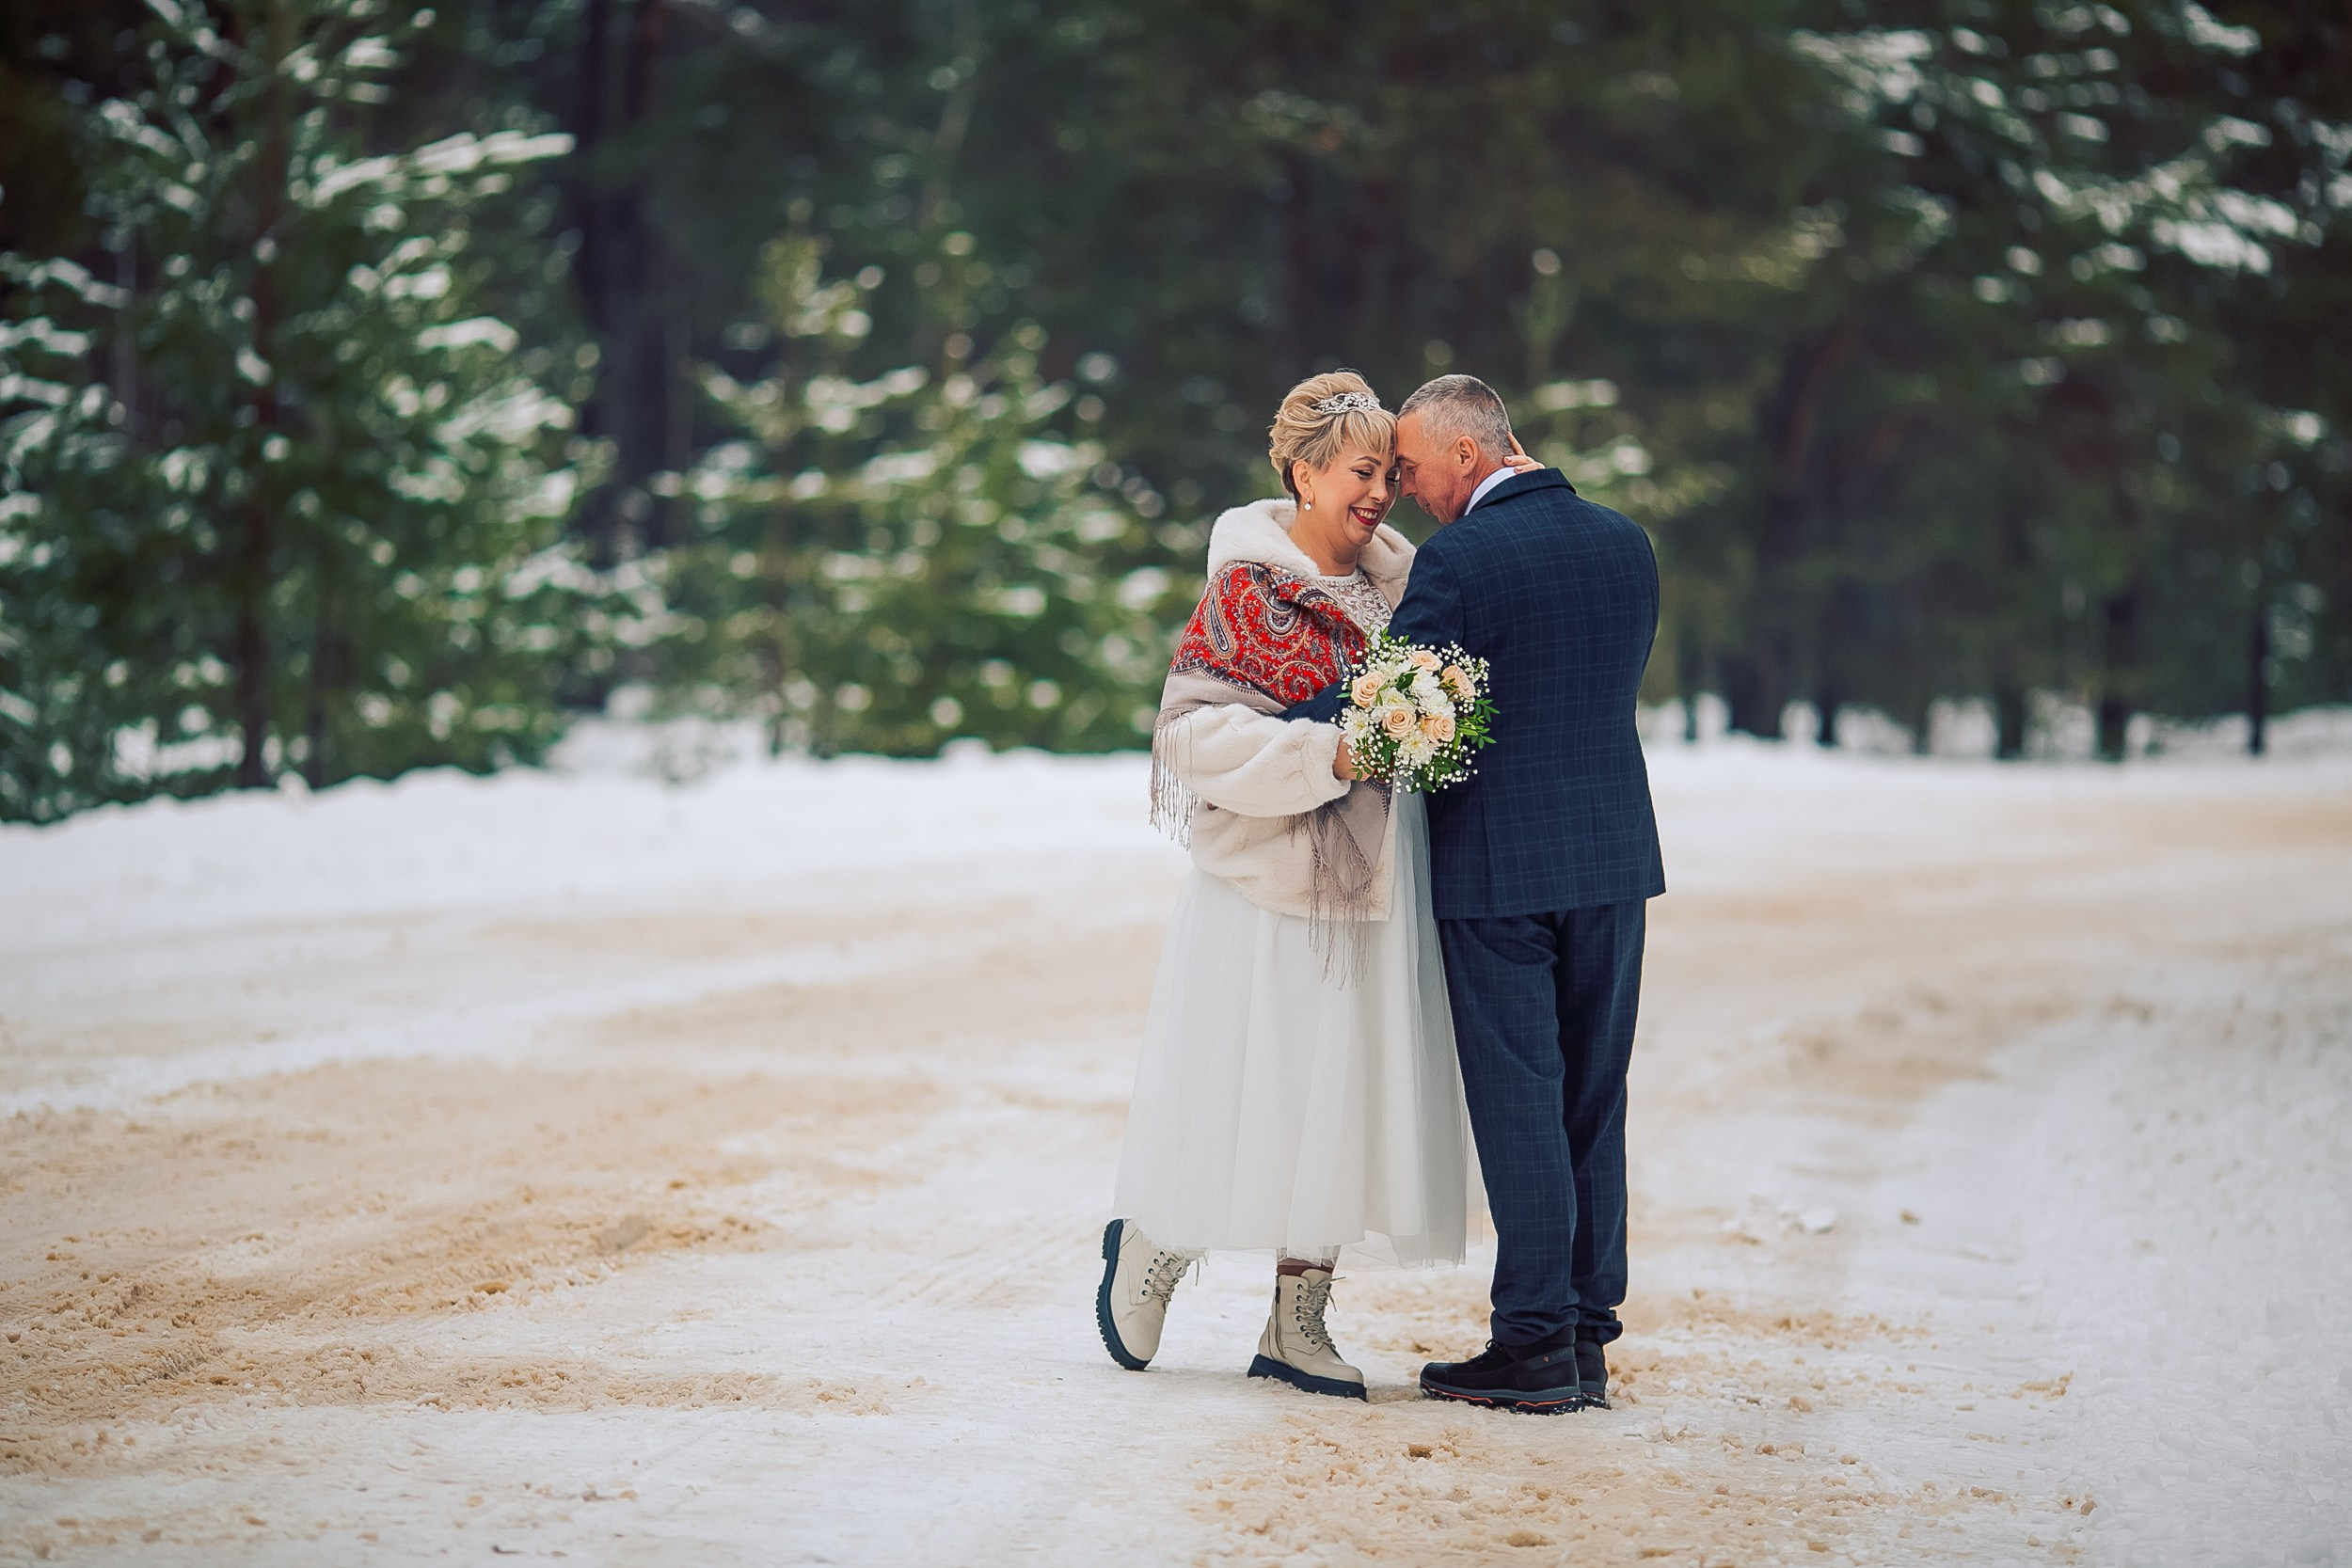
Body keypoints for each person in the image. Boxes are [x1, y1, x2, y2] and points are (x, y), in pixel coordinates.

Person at [1097, 372, 1534, 1400]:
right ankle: (1158, 1239)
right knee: (1253, 1081)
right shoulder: (1250, 589)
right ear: (1302, 474)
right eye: (1360, 472)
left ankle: (1298, 1320)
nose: (1381, 493)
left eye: (1390, 474)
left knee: (1346, 1094)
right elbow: (1190, 735)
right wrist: (1327, 754)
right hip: (1269, 886)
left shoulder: (1407, 587)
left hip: (1380, 880)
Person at [1286, 373, 1665, 1414]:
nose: (1403, 491)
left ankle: (1533, 1340)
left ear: (1466, 452)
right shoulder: (1627, 543)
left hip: (1499, 867)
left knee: (1520, 1097)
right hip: (1612, 856)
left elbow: (1390, 697)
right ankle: (1584, 1333)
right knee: (1593, 1094)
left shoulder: (1463, 559)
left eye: (1411, 468)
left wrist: (1272, 702)